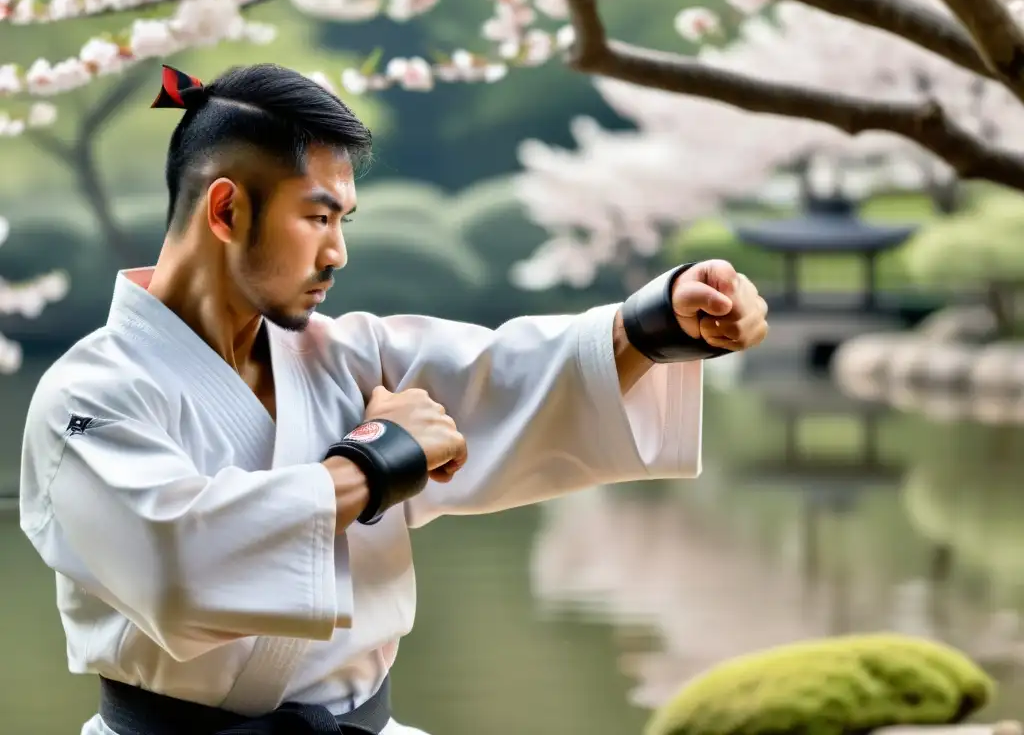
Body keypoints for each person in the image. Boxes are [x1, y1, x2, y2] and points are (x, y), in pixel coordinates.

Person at [19, 62, 769, 735]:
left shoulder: (349, 355)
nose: (337, 252)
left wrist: (660, 321)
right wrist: (376, 462)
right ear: (226, 212)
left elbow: (506, 377)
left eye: (343, 221)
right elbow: (177, 565)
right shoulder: (87, 398)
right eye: (317, 217)